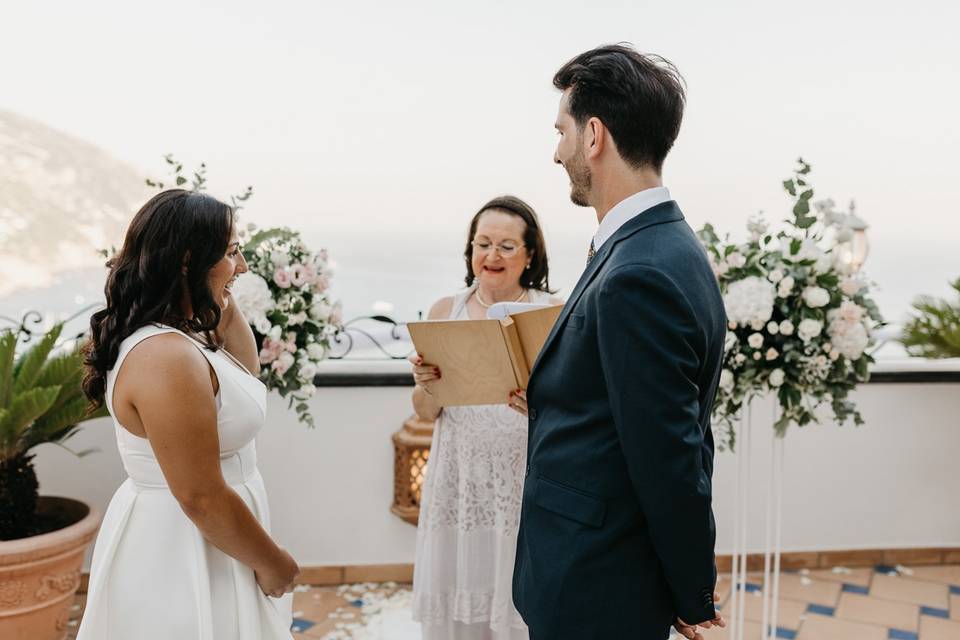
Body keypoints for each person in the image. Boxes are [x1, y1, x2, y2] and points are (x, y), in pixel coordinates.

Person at [509, 45, 728, 640]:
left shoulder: (640, 271)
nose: (557, 151)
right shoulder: (660, 245)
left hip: (595, 582)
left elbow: (671, 456)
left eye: (562, 131)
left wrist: (692, 592)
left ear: (594, 135)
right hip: (596, 571)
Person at [79, 189, 298, 639]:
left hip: (216, 536)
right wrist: (273, 562)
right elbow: (200, 496)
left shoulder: (184, 334)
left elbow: (245, 378)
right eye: (232, 252)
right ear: (186, 260)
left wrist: (216, 291)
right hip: (182, 545)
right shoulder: (165, 358)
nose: (243, 266)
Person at [409, 196, 562, 640]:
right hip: (459, 479)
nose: (492, 256)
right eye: (483, 243)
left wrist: (536, 404)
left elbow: (574, 405)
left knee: (520, 609)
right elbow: (424, 412)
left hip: (522, 480)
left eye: (507, 246)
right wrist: (425, 382)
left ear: (530, 255)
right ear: (470, 250)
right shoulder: (445, 311)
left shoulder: (553, 311)